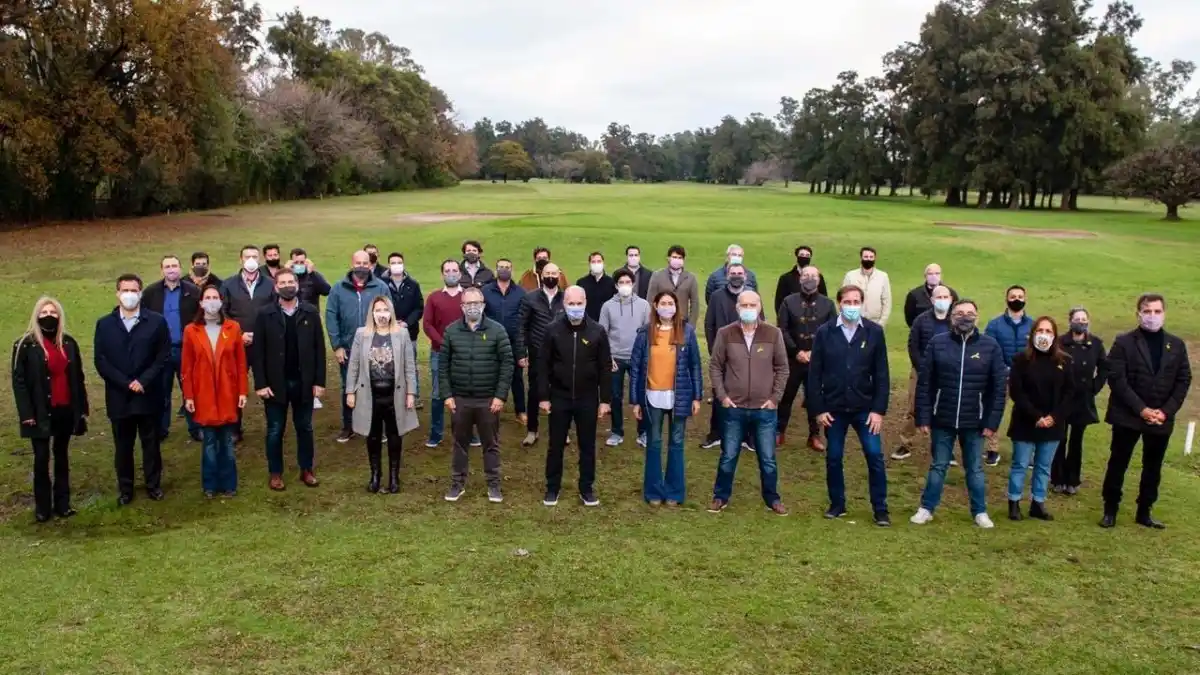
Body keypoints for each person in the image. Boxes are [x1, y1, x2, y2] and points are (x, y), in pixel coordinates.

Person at [910, 299, 1007, 528]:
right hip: (942, 417)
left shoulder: (990, 346)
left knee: (974, 468)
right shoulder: (938, 343)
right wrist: (923, 416)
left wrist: (992, 422)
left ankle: (980, 512)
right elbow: (925, 384)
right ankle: (926, 508)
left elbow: (998, 389)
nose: (965, 317)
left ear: (977, 316)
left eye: (970, 313)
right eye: (960, 313)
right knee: (938, 465)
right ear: (952, 316)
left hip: (975, 421)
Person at [1099, 293, 1192, 529]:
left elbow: (1183, 379)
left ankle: (1145, 511)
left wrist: (1165, 411)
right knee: (1118, 462)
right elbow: (1117, 379)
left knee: (1153, 466)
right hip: (1128, 416)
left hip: (1161, 418)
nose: (1152, 316)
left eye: (1157, 311)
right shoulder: (1124, 342)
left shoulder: (1176, 345)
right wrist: (1141, 409)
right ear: (1138, 313)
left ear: (1164, 313)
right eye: (1147, 311)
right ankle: (1110, 509)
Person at [808, 285, 891, 525]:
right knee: (833, 456)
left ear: (862, 304)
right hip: (834, 409)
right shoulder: (825, 332)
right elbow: (814, 375)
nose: (852, 306)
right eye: (847, 301)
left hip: (865, 408)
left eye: (856, 302)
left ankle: (880, 508)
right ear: (839, 303)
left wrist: (878, 410)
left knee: (874, 455)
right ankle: (837, 504)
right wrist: (819, 409)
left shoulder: (874, 332)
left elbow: (882, 374)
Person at [706, 291, 789, 516]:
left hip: (765, 410)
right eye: (745, 305)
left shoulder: (773, 334)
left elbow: (782, 368)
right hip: (734, 408)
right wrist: (722, 396)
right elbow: (715, 366)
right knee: (728, 456)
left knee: (768, 459)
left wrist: (775, 398)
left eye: (753, 304)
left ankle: (772, 498)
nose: (749, 308)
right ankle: (720, 496)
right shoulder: (725, 333)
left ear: (760, 306)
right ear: (737, 308)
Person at [94, 274, 171, 505]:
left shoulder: (156, 322)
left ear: (140, 293)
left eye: (133, 290)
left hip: (148, 394)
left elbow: (162, 356)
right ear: (117, 293)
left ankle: (153, 484)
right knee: (123, 447)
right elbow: (101, 360)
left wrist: (143, 381)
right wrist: (125, 383)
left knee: (151, 444)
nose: (129, 295)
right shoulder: (105, 324)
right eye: (125, 290)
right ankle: (125, 489)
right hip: (120, 397)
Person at [12, 297, 88, 522]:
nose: (49, 316)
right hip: (38, 411)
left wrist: (81, 409)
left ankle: (63, 504)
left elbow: (78, 377)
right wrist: (26, 413)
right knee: (41, 457)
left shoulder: (68, 343)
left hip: (64, 407)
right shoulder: (25, 345)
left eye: (53, 313)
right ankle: (42, 507)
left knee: (62, 456)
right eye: (44, 312)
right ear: (37, 315)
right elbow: (19, 382)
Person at [251, 269, 326, 490]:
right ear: (276, 287)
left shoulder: (310, 312)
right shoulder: (265, 314)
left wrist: (319, 381)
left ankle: (307, 469)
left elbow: (319, 349)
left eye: (290, 281)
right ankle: (275, 473)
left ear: (297, 284)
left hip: (303, 382)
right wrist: (261, 384)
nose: (287, 286)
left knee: (305, 428)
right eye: (282, 282)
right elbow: (258, 353)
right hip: (275, 384)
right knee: (275, 430)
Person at [537, 286, 612, 507]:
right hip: (559, 396)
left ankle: (586, 488)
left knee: (587, 446)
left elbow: (605, 367)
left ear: (586, 302)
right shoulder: (552, 330)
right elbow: (543, 365)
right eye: (571, 303)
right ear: (564, 304)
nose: (575, 308)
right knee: (556, 444)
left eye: (579, 304)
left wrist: (605, 400)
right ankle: (552, 488)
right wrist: (543, 396)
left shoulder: (597, 331)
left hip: (587, 398)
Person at [440, 286, 513, 503]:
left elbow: (507, 363)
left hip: (488, 400)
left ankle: (493, 485)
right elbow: (443, 365)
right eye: (468, 304)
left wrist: (500, 396)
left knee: (490, 444)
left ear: (483, 305)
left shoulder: (497, 330)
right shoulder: (451, 331)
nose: (473, 307)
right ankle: (457, 484)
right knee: (459, 444)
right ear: (462, 307)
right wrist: (447, 395)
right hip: (460, 399)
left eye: (477, 303)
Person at [630, 290, 703, 505]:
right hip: (652, 396)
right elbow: (636, 368)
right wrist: (635, 401)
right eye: (663, 303)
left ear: (676, 306)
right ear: (655, 305)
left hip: (679, 396)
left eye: (671, 303)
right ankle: (653, 491)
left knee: (677, 442)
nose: (667, 307)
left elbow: (695, 365)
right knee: (654, 442)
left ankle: (674, 491)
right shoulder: (645, 333)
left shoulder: (687, 332)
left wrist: (697, 397)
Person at [345, 296, 418, 494]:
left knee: (395, 436)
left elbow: (409, 366)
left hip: (395, 394)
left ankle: (394, 477)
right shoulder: (362, 334)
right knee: (373, 435)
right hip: (370, 394)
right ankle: (375, 475)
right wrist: (350, 391)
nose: (382, 314)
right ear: (372, 313)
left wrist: (411, 392)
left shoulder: (401, 334)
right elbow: (354, 365)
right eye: (378, 310)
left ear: (391, 312)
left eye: (385, 310)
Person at [1005, 317, 1074, 521]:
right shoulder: (1020, 360)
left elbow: (1070, 393)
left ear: (1055, 336)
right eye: (1040, 330)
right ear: (1033, 333)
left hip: (1053, 424)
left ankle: (1038, 503)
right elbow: (1017, 392)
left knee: (1044, 466)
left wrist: (1054, 417)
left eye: (1048, 331)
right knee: (1020, 464)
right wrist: (1036, 416)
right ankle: (1014, 502)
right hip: (1026, 422)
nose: (1044, 335)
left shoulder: (1065, 361)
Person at [180, 286, 247, 498]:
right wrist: (188, 395)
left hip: (228, 393)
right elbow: (187, 367)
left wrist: (242, 392)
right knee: (208, 442)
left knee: (227, 442)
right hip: (204, 394)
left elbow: (240, 364)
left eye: (215, 297)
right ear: (200, 303)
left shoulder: (233, 328)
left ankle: (229, 484)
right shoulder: (191, 330)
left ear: (221, 301)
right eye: (207, 298)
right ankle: (209, 485)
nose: (211, 301)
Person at [327, 250, 389, 443]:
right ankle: (349, 426)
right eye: (358, 262)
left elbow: (388, 314)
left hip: (376, 347)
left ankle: (378, 427)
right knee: (349, 387)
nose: (362, 266)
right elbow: (331, 316)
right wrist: (337, 345)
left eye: (365, 263)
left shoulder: (381, 287)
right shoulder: (338, 288)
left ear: (370, 265)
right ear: (352, 263)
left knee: (378, 387)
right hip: (347, 348)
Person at [141, 254, 202, 441]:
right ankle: (161, 428)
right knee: (162, 391)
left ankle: (195, 427)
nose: (171, 269)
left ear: (181, 268)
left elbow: (201, 318)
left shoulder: (193, 291)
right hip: (161, 351)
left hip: (186, 349)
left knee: (191, 390)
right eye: (167, 266)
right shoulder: (151, 292)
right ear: (162, 270)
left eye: (174, 266)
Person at [776, 265, 836, 451]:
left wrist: (814, 353)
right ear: (800, 278)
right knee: (786, 396)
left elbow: (832, 331)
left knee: (814, 397)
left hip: (816, 360)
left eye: (813, 275)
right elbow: (782, 329)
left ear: (819, 280)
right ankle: (779, 431)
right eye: (805, 275)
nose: (809, 278)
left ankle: (814, 435)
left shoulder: (828, 304)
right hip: (792, 358)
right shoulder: (788, 302)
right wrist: (796, 351)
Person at [702, 263, 761, 450]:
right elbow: (709, 324)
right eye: (733, 273)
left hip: (748, 353)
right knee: (720, 393)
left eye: (740, 273)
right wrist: (714, 349)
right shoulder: (717, 296)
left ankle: (747, 437)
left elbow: (762, 322)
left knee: (748, 393)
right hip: (723, 352)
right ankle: (716, 434)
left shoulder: (752, 298)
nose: (736, 276)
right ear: (727, 275)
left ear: (746, 276)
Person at [220, 244, 275, 441]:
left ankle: (273, 426)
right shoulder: (228, 285)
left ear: (259, 259)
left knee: (269, 383)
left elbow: (275, 312)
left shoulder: (270, 283)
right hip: (237, 344)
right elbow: (222, 313)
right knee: (235, 386)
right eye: (247, 256)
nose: (251, 260)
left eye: (254, 256)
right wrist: (238, 334)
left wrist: (261, 335)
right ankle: (234, 428)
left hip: (263, 344)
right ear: (240, 259)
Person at [894, 284, 955, 461]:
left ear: (951, 300)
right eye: (939, 297)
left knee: (944, 409)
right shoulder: (921, 320)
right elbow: (913, 346)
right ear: (932, 300)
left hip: (947, 373)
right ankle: (905, 443)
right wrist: (923, 368)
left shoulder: (955, 321)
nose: (942, 301)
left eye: (946, 297)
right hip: (921, 371)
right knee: (913, 406)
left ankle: (944, 448)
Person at [1051, 307, 1108, 495]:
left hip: (1083, 399)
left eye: (1084, 319)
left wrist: (1094, 387)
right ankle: (1057, 478)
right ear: (1070, 321)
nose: (1081, 322)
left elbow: (1104, 368)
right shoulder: (1059, 343)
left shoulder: (1096, 344)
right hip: (1062, 398)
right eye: (1077, 319)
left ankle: (1072, 480)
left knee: (1077, 440)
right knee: (1060, 438)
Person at [599, 269, 651, 447]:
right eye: (621, 283)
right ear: (616, 285)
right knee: (615, 396)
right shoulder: (607, 306)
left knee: (641, 395)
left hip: (637, 358)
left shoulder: (644, 305)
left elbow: (648, 333)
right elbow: (602, 334)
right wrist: (608, 357)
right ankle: (616, 431)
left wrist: (645, 356)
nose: (625, 286)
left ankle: (643, 432)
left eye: (628, 282)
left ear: (633, 284)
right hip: (616, 358)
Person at [515, 262, 565, 447]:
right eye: (547, 273)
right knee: (535, 391)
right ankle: (532, 430)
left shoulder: (566, 298)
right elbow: (522, 327)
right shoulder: (530, 298)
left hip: (561, 354)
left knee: (561, 392)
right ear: (541, 275)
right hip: (537, 353)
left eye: (554, 273)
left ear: (559, 275)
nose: (550, 276)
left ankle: (562, 431)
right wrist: (522, 352)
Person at [984, 284, 1033, 466]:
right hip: (1001, 376)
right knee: (995, 410)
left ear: (1025, 299)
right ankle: (992, 449)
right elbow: (989, 349)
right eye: (1013, 296)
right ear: (1006, 299)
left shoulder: (1033, 325)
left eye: (1020, 296)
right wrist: (1003, 369)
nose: (1017, 299)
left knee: (1026, 413)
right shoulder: (994, 324)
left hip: (1026, 378)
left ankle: (1026, 452)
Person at [422, 259, 466, 447]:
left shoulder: (469, 297)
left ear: (460, 274)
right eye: (447, 270)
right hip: (439, 353)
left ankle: (467, 433)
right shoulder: (434, 297)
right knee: (438, 393)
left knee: (465, 393)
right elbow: (427, 324)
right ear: (442, 275)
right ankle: (436, 433)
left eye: (454, 270)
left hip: (464, 353)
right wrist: (444, 342)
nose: (451, 273)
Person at [483, 258, 527, 426]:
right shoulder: (486, 291)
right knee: (491, 377)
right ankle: (491, 410)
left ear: (512, 270)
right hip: (491, 342)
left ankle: (520, 411)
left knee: (517, 378)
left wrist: (523, 350)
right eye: (501, 267)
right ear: (496, 270)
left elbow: (524, 320)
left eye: (507, 267)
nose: (504, 270)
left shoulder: (520, 292)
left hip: (514, 342)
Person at [382, 252, 424, 402]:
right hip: (386, 330)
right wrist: (391, 321)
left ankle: (414, 394)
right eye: (393, 262)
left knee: (410, 363)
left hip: (409, 331)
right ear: (388, 265)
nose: (396, 265)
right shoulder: (381, 283)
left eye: (399, 262)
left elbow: (419, 308)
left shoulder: (413, 284)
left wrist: (406, 322)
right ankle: (392, 395)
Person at [647, 245, 700, 325]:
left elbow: (695, 303)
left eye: (680, 258)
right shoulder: (657, 276)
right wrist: (653, 322)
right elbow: (650, 300)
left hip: (682, 322)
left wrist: (691, 325)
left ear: (683, 260)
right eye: (674, 257)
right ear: (668, 258)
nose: (677, 260)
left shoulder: (691, 278)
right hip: (661, 321)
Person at [840, 247, 891, 326]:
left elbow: (887, 302)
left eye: (871, 257)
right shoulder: (850, 276)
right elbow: (843, 299)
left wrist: (881, 323)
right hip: (854, 322)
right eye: (866, 257)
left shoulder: (883, 277)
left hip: (875, 322)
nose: (868, 259)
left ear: (875, 258)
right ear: (861, 258)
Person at [773, 245, 828, 317]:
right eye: (802, 255)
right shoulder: (785, 278)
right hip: (792, 318)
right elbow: (779, 301)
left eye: (807, 255)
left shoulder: (818, 277)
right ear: (797, 257)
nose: (804, 257)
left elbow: (824, 298)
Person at [576, 251, 616, 321]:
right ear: (589, 264)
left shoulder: (612, 283)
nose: (596, 264)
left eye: (599, 261)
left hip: (606, 321)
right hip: (587, 323)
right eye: (593, 262)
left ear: (603, 263)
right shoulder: (581, 283)